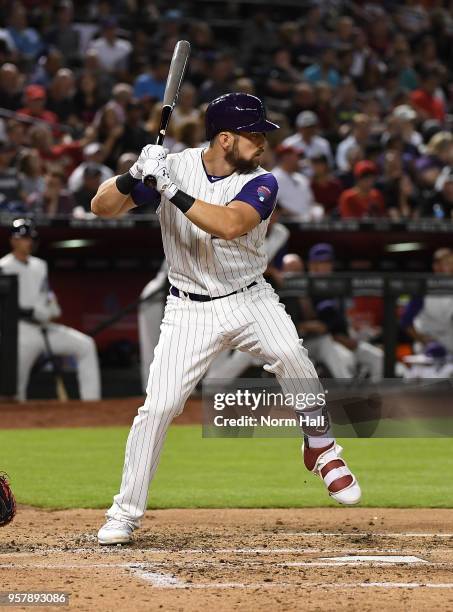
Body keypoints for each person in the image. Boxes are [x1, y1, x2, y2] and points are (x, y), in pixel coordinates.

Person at [91, 92, 361, 545]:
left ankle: (321, 445)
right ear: (224, 137)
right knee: (157, 408)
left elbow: (230, 224)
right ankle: (124, 513)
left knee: (291, 353)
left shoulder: (262, 182)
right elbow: (102, 208)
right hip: (187, 308)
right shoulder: (170, 164)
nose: (263, 142)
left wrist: (169, 189)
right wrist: (132, 176)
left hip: (248, 299)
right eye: (254, 134)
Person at [0, 218, 101, 401]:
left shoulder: (40, 265)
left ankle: (92, 403)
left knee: (86, 346)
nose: (28, 242)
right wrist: (28, 312)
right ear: (13, 240)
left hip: (45, 327)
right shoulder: (3, 267)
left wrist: (52, 305)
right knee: (13, 392)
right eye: (23, 238)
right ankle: (16, 423)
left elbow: (45, 292)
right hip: (21, 331)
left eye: (30, 238)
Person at [271, 144, 316, 218]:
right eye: (296, 156)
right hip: (286, 223)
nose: (299, 160)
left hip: (307, 224)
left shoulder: (301, 178)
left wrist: (316, 210)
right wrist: (296, 216)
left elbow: (311, 201)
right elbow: (271, 205)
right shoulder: (273, 178)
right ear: (286, 158)